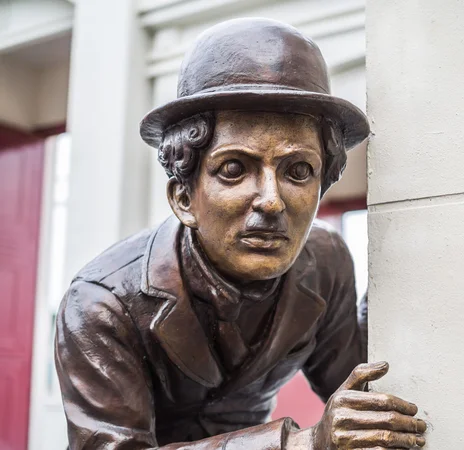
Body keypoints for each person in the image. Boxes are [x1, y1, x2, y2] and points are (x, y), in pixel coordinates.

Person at [55, 17, 427, 449]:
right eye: (234, 169)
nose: (271, 200)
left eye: (299, 171)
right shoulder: (102, 304)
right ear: (183, 198)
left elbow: (356, 389)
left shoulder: (326, 262)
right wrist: (300, 444)